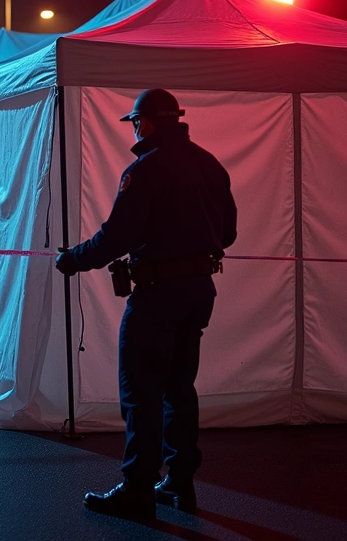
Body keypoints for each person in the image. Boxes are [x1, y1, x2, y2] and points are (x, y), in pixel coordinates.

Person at [54, 89, 237, 520]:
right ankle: (179, 482)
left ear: (146, 122)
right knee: (179, 389)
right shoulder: (209, 163)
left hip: (158, 294)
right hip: (199, 291)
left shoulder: (147, 168)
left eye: (135, 123)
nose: (134, 130)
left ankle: (138, 488)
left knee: (141, 392)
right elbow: (228, 233)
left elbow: (116, 237)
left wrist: (72, 259)